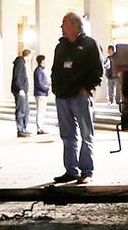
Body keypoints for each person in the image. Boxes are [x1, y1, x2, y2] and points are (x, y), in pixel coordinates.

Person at [52, 12, 103, 184]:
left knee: (86, 133)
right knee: (67, 135)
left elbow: (98, 70)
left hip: (80, 96)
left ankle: (87, 171)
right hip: (63, 97)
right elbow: (55, 70)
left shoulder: (89, 44)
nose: (61, 26)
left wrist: (85, 89)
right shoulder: (60, 47)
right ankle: (71, 170)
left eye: (64, 22)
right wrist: (56, 89)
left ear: (74, 25)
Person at [12, 49, 32, 137]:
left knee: (26, 110)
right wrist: (20, 89)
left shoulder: (23, 63)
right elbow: (18, 76)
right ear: (29, 55)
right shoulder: (20, 62)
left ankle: (23, 128)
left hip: (23, 90)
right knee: (21, 110)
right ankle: (20, 130)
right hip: (20, 91)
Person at [34, 54, 50, 135]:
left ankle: (41, 127)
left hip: (43, 93)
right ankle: (39, 128)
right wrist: (46, 88)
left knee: (42, 111)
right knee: (40, 111)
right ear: (42, 61)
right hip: (41, 93)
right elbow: (39, 83)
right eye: (45, 60)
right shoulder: (39, 70)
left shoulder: (42, 70)